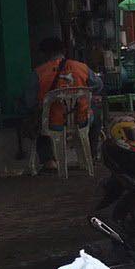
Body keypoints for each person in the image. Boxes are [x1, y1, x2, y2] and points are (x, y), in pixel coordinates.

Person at [24, 37, 98, 173]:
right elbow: (98, 85)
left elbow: (30, 103)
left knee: (37, 119)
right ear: (64, 51)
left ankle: (49, 162)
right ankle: (91, 155)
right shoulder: (81, 67)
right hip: (81, 120)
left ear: (44, 54)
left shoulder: (38, 73)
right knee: (95, 113)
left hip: (52, 123)